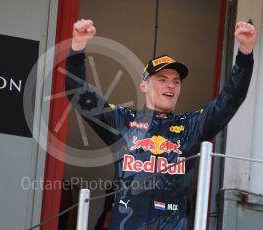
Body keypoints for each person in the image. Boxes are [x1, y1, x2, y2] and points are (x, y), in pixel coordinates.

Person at [65, 19, 256, 230]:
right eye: (162, 79)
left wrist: (245, 53)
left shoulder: (191, 126)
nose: (171, 85)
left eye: (176, 81)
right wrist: (77, 48)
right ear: (143, 86)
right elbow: (80, 95)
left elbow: (229, 100)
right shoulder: (122, 120)